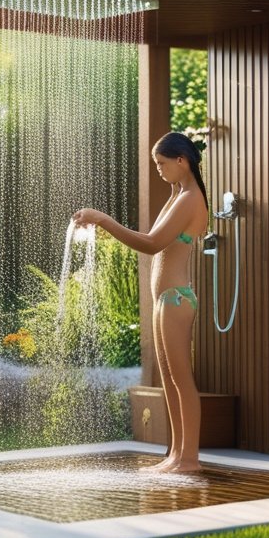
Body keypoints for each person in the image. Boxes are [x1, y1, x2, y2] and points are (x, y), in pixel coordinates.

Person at [73, 131, 208, 473]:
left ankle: (189, 459)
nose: (159, 169)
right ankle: (175, 455)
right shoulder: (177, 196)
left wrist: (104, 220)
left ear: (182, 161)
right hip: (165, 300)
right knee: (169, 382)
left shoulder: (190, 199)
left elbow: (151, 244)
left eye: (162, 163)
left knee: (182, 380)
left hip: (177, 299)